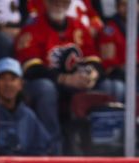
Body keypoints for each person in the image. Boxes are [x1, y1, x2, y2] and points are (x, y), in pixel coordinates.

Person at [14, 0, 102, 154]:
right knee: (46, 89)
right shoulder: (32, 28)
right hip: (37, 85)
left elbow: (93, 58)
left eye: (63, 1)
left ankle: (95, 147)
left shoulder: (78, 26)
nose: (58, 4)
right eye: (54, 1)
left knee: (108, 87)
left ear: (69, 4)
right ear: (46, 3)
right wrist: (64, 79)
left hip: (74, 83)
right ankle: (52, 148)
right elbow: (31, 68)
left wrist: (92, 75)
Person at [0, 57, 54, 155]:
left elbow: (43, 149)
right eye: (2, 78)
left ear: (20, 84)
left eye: (13, 79)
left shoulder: (28, 116)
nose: (8, 84)